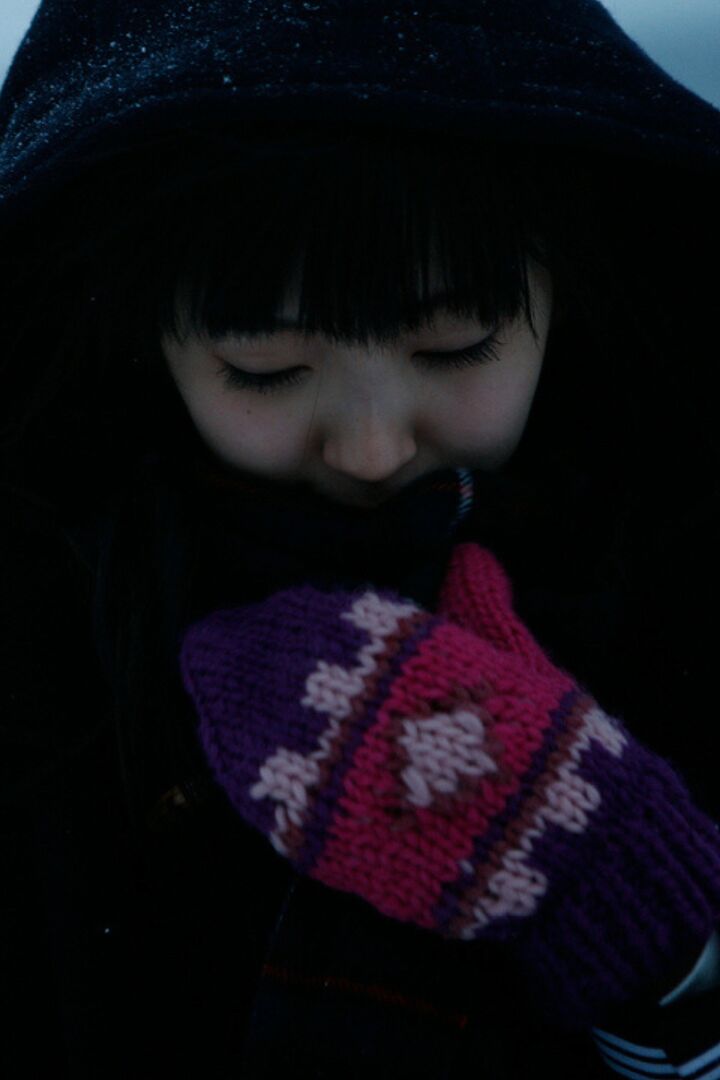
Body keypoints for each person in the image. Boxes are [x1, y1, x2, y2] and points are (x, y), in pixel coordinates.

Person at [1, 1, 719, 1076]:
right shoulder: (39, 646)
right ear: (144, 337)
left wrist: (644, 916)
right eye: (269, 368)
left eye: (456, 346)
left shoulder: (685, 579)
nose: (375, 449)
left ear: (565, 294)